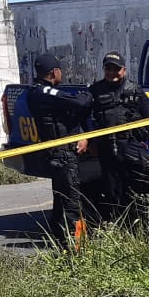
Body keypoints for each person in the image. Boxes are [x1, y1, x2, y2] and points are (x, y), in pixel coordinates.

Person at [26, 53, 93, 241]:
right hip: (63, 154)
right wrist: (87, 95)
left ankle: (60, 240)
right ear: (55, 72)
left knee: (61, 199)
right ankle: (78, 244)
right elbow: (80, 102)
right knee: (71, 200)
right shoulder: (43, 92)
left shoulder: (40, 92)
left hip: (56, 153)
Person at [89, 51, 149, 218]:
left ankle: (136, 226)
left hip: (132, 146)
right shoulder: (95, 91)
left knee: (135, 186)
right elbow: (87, 118)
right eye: (108, 68)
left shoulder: (135, 91)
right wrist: (90, 140)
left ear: (124, 70)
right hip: (107, 148)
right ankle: (116, 224)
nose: (112, 73)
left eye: (116, 69)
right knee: (112, 189)